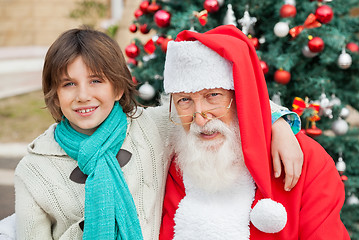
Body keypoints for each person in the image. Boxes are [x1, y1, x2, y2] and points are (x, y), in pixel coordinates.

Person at [8, 27, 302, 240]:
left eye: (96, 80)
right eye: (68, 84)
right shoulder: (34, 170)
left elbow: (227, 107)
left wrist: (279, 124)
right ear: (55, 95)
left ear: (118, 87)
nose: (83, 95)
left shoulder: (150, 127)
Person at [159, 25, 350, 239]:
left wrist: (277, 122)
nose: (200, 117)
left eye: (213, 95)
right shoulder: (173, 162)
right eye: (184, 100)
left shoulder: (308, 160)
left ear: (240, 96)